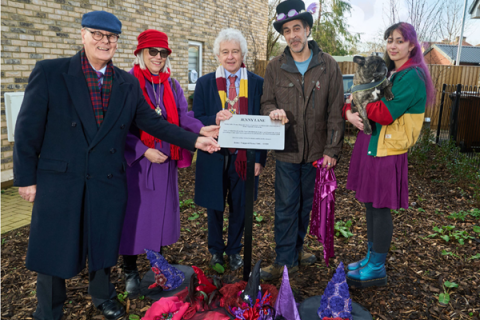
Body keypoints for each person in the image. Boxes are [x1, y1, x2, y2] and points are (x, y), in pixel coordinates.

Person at [13, 11, 220, 320]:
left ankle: (102, 294)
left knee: (103, 241)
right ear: (82, 35)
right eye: (96, 34)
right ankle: (49, 308)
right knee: (54, 246)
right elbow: (27, 130)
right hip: (61, 179)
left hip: (106, 178)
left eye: (110, 37)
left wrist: (194, 140)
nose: (103, 41)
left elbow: (152, 122)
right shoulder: (51, 72)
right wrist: (25, 178)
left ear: (117, 42)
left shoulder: (125, 83)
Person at [118, 29, 217, 296]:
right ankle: (130, 270)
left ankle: (157, 266)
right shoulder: (127, 82)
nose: (159, 57)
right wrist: (142, 150)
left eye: (163, 53)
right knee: (134, 218)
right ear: (140, 53)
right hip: (137, 163)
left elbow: (184, 117)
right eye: (153, 51)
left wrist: (201, 130)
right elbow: (119, 127)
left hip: (166, 160)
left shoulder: (171, 85)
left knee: (159, 217)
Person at [343, 22, 435, 288]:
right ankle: (371, 256)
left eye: (399, 40)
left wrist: (358, 100)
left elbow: (384, 113)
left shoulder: (412, 76)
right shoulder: (392, 73)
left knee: (381, 207)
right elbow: (353, 103)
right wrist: (350, 109)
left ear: (412, 45)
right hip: (373, 145)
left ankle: (376, 267)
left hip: (388, 150)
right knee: (371, 204)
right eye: (389, 40)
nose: (393, 46)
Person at [260, 0, 344, 280]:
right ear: (283, 35)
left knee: (305, 206)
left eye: (297, 28)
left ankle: (296, 248)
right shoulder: (275, 67)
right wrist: (273, 112)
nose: (293, 35)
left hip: (318, 153)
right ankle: (285, 261)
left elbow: (335, 110)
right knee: (285, 205)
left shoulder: (328, 66)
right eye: (287, 30)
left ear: (307, 29)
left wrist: (332, 148)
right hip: (287, 150)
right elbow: (266, 103)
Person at [192, 28, 267, 272]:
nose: (231, 56)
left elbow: (264, 122)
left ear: (242, 53)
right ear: (218, 55)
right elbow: (196, 118)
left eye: (235, 51)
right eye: (225, 52)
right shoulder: (204, 83)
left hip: (245, 155)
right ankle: (215, 251)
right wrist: (214, 117)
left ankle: (234, 250)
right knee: (214, 205)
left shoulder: (257, 84)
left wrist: (260, 159)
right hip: (213, 154)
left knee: (240, 206)